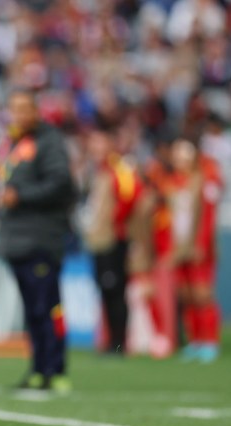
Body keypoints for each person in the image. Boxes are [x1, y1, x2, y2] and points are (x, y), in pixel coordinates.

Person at [0, 88, 75, 392]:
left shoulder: (50, 142)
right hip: (16, 240)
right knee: (32, 309)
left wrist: (23, 196)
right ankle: (37, 368)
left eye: (24, 108)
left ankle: (55, 370)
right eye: (14, 108)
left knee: (48, 306)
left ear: (36, 111)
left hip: (42, 238)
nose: (19, 115)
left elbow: (61, 184)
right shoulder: (7, 145)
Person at [82, 128, 143, 355]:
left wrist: (115, 222)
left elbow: (131, 195)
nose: (95, 148)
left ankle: (119, 343)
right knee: (106, 291)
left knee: (116, 291)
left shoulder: (120, 168)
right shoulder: (97, 170)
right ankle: (111, 341)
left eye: (100, 143)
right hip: (99, 240)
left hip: (114, 240)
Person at [167, 139, 223, 362]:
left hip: (199, 247)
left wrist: (202, 244)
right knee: (187, 294)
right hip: (180, 246)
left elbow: (208, 216)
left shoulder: (204, 181)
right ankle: (195, 340)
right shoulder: (173, 183)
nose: (179, 162)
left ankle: (210, 340)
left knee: (202, 294)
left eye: (183, 157)